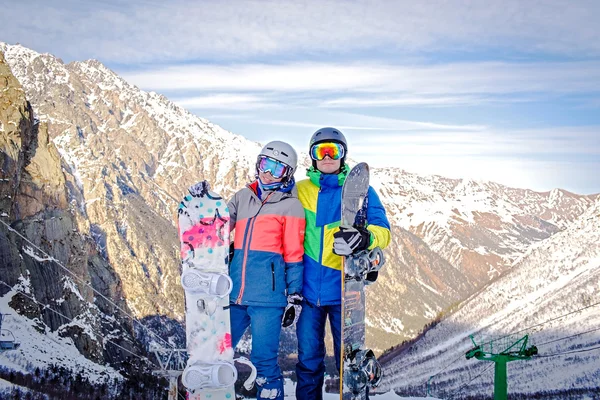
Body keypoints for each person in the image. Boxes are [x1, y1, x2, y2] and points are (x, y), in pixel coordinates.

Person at [294, 127, 391, 400]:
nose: (327, 157)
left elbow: (383, 231)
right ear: (312, 157)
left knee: (346, 363)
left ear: (343, 155)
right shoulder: (299, 190)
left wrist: (365, 238)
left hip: (344, 292)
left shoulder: (361, 191)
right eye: (320, 151)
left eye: (333, 150)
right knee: (308, 362)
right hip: (308, 292)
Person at [227, 140, 306, 400]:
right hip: (234, 294)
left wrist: (294, 295)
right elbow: (217, 223)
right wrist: (201, 203)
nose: (268, 172)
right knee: (216, 352)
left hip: (268, 300)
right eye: (264, 164)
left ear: (288, 174)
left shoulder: (291, 206)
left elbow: (294, 254)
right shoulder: (242, 196)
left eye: (277, 168)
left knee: (264, 363)